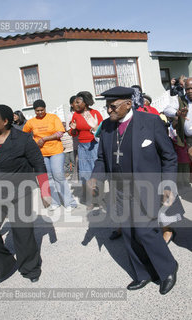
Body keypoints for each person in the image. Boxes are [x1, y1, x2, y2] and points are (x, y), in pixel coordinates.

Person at [90, 86, 179, 295]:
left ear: (128, 104)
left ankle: (167, 269)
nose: (109, 111)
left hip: (146, 187)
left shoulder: (150, 122)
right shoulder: (107, 127)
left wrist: (168, 184)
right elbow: (102, 158)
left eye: (112, 106)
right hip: (120, 189)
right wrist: (95, 177)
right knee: (129, 234)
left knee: (145, 230)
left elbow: (169, 156)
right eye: (107, 107)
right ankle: (143, 273)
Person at [0, 105, 50, 283]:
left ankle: (30, 268)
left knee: (23, 232)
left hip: (18, 193)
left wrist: (45, 190)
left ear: (6, 121)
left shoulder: (24, 139)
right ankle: (5, 265)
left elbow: (38, 164)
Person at [23, 99, 77, 211]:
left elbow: (60, 133)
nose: (40, 112)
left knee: (58, 176)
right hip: (41, 153)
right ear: (34, 111)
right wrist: (34, 142)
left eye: (42, 110)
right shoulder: (31, 122)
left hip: (56, 151)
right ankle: (55, 202)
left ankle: (70, 203)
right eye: (37, 111)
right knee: (49, 178)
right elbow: (24, 135)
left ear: (45, 108)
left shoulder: (53, 118)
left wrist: (45, 139)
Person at [69, 91, 103, 208]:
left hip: (94, 146)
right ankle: (90, 199)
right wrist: (73, 129)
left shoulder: (95, 113)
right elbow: (73, 134)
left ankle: (97, 197)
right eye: (74, 103)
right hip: (82, 147)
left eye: (78, 102)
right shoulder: (75, 115)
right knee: (85, 173)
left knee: (96, 172)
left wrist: (94, 127)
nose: (75, 105)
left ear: (86, 103)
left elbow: (101, 130)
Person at [164, 77, 192, 185]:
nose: (190, 91)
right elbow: (167, 109)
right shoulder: (180, 100)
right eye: (187, 89)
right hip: (189, 139)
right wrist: (177, 114)